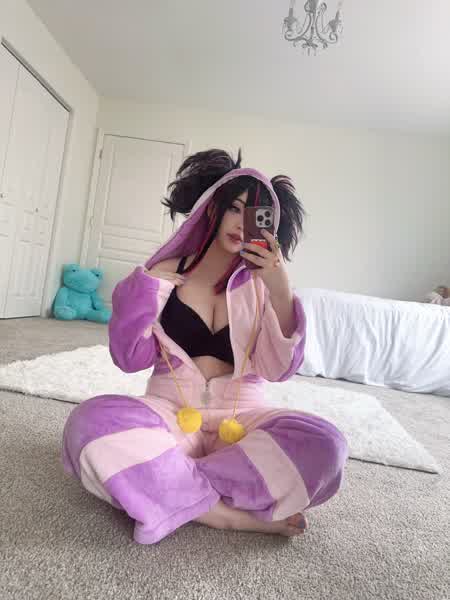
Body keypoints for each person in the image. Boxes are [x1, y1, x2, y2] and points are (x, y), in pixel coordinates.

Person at [62, 149, 349, 544]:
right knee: (89, 422)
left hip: (243, 422)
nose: (241, 224)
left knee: (326, 445)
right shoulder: (165, 274)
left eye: (255, 216)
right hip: (170, 414)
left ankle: (167, 484)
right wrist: (145, 288)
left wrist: (281, 292)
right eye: (234, 208)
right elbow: (129, 358)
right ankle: (225, 514)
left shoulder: (265, 287)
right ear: (211, 208)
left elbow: (277, 369)